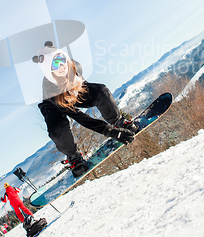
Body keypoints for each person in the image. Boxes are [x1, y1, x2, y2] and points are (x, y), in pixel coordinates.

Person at [33, 41, 137, 176]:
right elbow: (79, 117)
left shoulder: (75, 67)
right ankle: (73, 157)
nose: (61, 66)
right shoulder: (50, 89)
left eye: (61, 59)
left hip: (73, 92)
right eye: (55, 64)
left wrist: (115, 127)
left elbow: (90, 92)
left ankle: (119, 121)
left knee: (101, 91)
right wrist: (110, 132)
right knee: (57, 130)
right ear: (48, 70)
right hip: (54, 104)